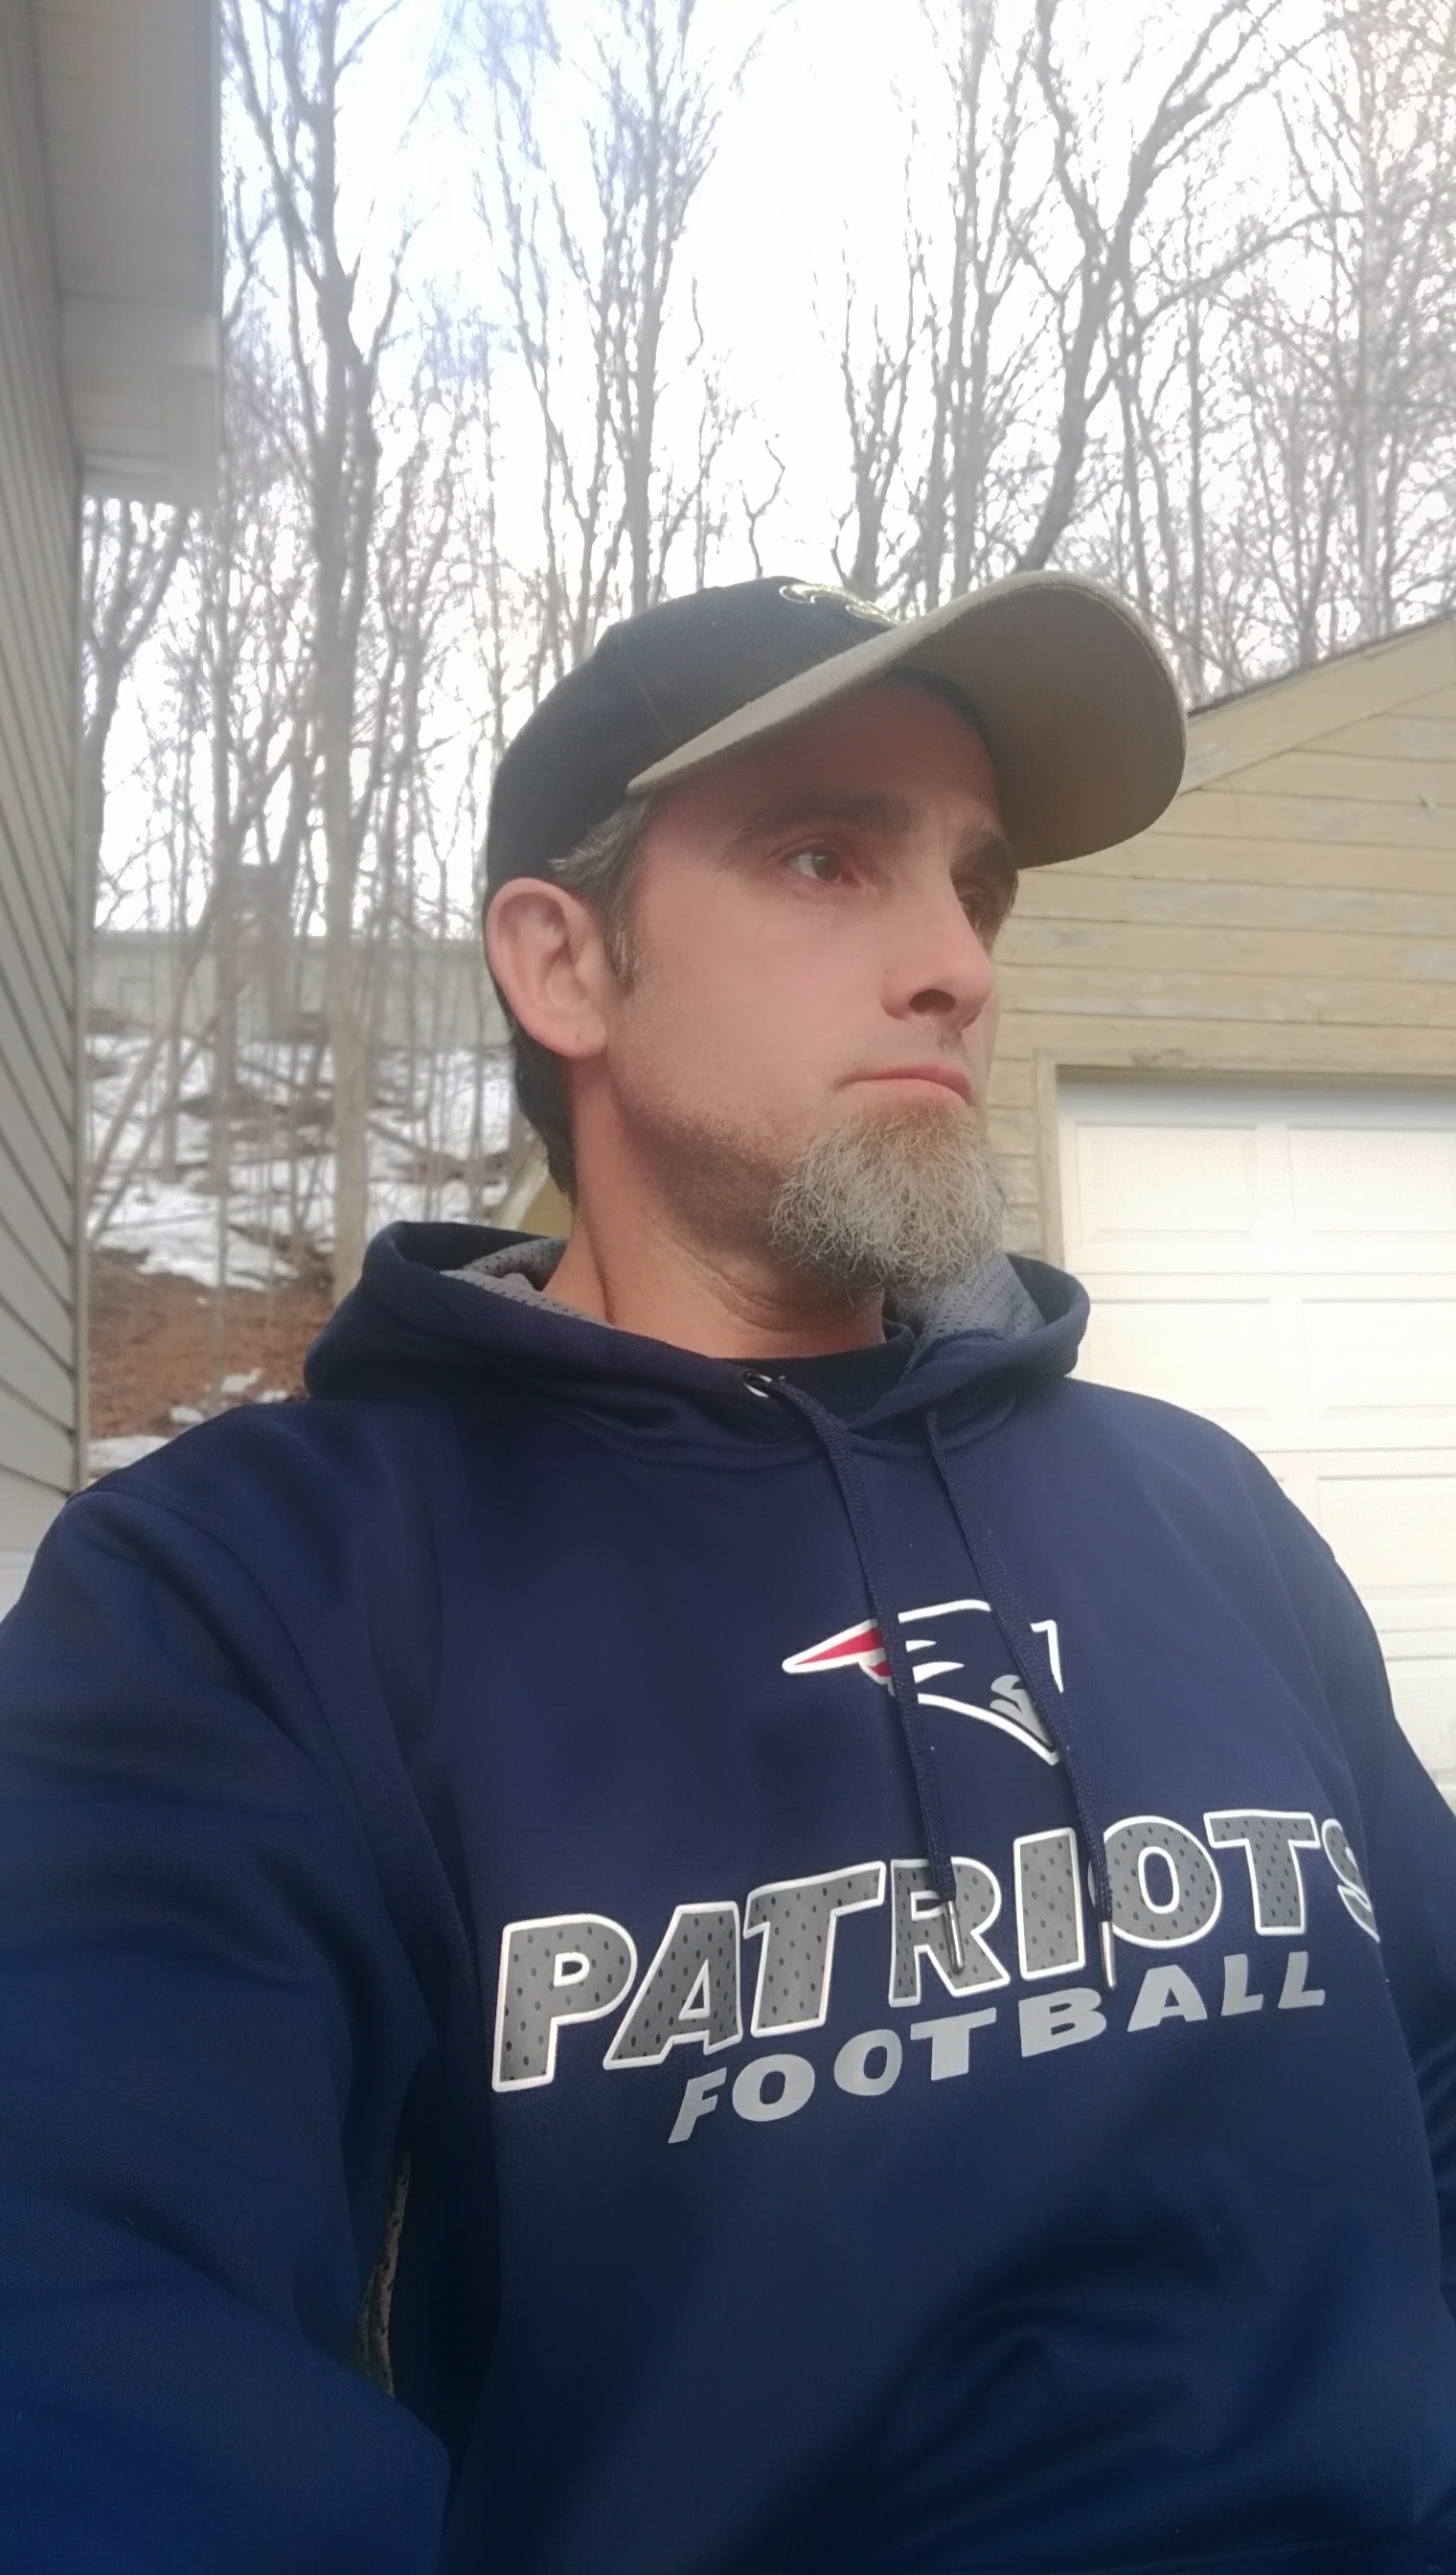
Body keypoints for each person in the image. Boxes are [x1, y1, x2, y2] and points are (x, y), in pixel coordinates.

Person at [3, 571, 1456, 2575]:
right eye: (825, 857)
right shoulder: (255, 1592)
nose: (954, 965)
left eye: (975, 887)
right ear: (564, 964)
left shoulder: (1196, 1508)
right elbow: (85, 2324)